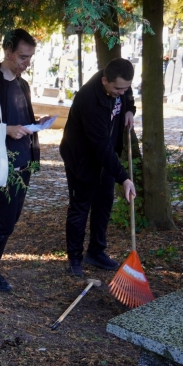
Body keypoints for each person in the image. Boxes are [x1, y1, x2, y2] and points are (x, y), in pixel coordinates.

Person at [0, 29, 54, 292]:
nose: (26, 63)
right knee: (4, 223)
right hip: (1, 162)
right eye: (22, 57)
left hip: (24, 160)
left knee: (8, 221)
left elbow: (21, 119)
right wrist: (6, 129)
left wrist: (36, 124)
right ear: (8, 52)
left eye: (30, 57)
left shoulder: (22, 84)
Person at [59, 57, 138, 277]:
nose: (121, 92)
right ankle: (75, 259)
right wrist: (123, 178)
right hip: (82, 159)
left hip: (105, 158)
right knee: (80, 207)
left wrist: (129, 109)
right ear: (105, 80)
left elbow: (127, 94)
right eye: (117, 88)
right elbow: (100, 146)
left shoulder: (119, 86)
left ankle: (96, 251)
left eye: (126, 88)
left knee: (104, 204)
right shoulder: (89, 99)